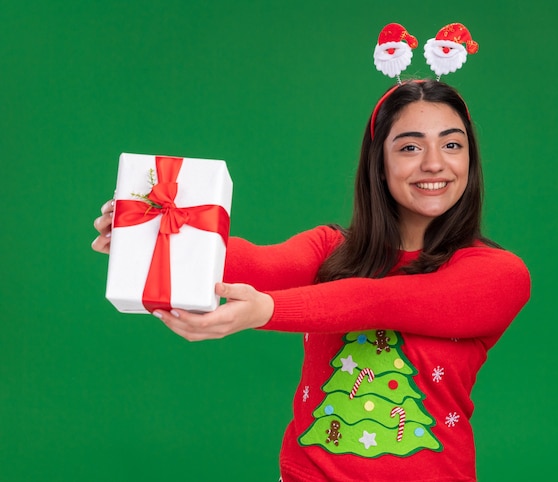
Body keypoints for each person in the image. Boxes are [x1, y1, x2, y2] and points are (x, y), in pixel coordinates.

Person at [93, 79, 531, 482]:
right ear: (379, 163)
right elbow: (258, 265)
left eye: (451, 145)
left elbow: (380, 300)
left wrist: (266, 310)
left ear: (469, 161)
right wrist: (152, 235)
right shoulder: (332, 248)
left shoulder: (498, 275)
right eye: (410, 148)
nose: (434, 164)